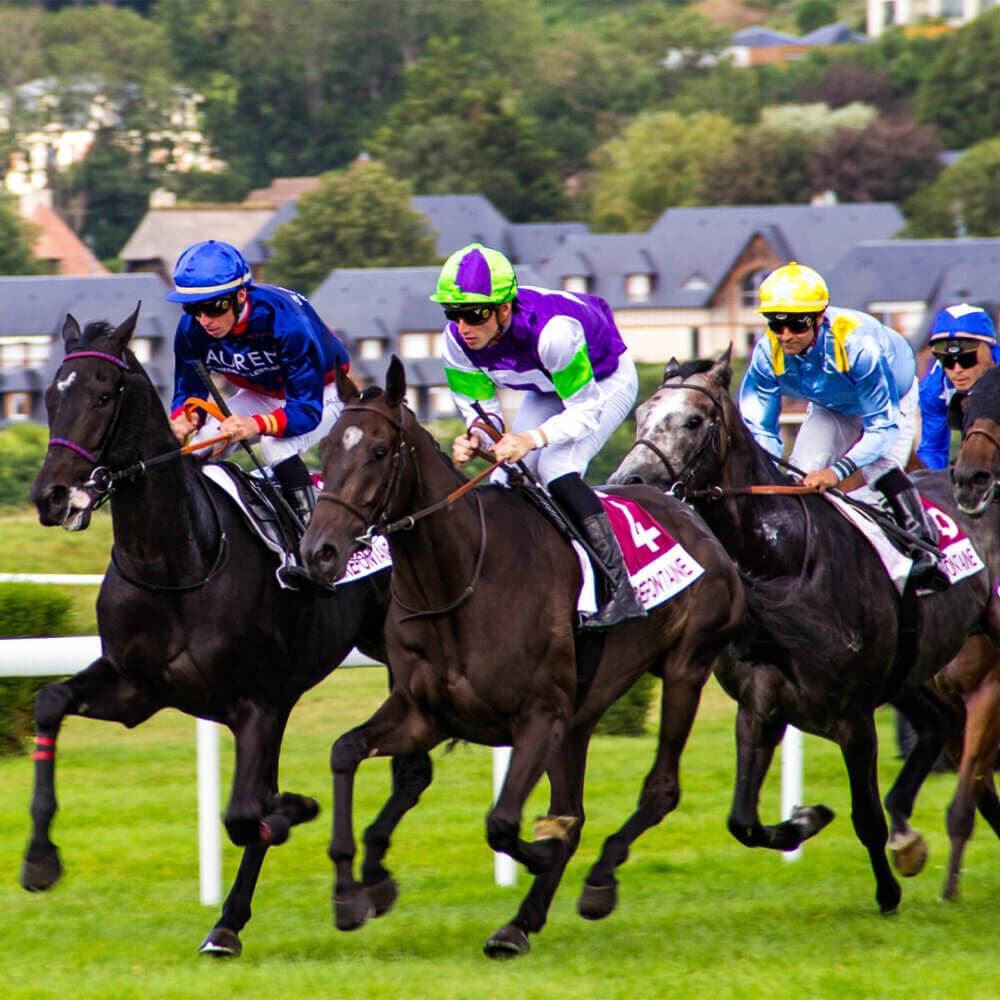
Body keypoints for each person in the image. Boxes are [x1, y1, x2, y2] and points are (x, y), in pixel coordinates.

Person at [432, 242, 645, 629]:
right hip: (546, 386)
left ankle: (620, 588)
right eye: (453, 314)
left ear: (504, 309)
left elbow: (583, 412)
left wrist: (530, 440)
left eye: (475, 314)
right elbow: (484, 414)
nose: (463, 327)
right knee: (504, 477)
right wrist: (477, 437)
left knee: (556, 466)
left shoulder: (553, 334)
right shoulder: (455, 342)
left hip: (603, 382)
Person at [739, 260, 948, 591]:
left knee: (879, 472)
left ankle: (924, 548)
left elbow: (880, 428)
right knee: (799, 473)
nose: (785, 336)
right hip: (832, 403)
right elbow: (760, 428)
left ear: (819, 319)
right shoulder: (766, 353)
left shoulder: (858, 346)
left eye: (795, 325)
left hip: (889, 397)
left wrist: (837, 472)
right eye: (775, 326)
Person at [167, 239, 350, 584]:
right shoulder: (192, 329)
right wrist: (186, 416)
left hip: (324, 392)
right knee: (202, 444)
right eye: (194, 309)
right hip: (260, 391)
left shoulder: (286, 321)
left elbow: (305, 410)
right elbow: (189, 389)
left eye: (214, 306)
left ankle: (310, 545)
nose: (205, 320)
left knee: (275, 446)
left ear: (240, 296)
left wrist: (256, 425)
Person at [917, 303, 1000, 470]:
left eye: (967, 359)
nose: (957, 371)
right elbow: (933, 450)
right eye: (946, 360)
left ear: (989, 351)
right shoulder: (933, 389)